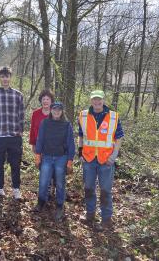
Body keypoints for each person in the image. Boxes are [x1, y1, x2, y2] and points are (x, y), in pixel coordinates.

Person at [78, 90, 124, 230]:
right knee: (88, 188)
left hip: (106, 160)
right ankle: (90, 215)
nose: (97, 102)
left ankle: (106, 220)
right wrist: (80, 151)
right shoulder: (83, 115)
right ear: (91, 101)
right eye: (94, 100)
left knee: (105, 190)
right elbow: (81, 135)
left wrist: (114, 155)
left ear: (103, 100)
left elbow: (119, 137)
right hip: (89, 158)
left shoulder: (113, 117)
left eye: (99, 100)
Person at [0, 66, 24, 199]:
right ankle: (0, 188)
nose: (5, 79)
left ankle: (16, 189)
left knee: (15, 165)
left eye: (7, 76)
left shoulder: (18, 95)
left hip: (14, 136)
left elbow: (21, 114)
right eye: (2, 76)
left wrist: (21, 130)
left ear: (10, 77)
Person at [33, 102, 75, 222]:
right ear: (51, 110)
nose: (56, 112)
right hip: (46, 156)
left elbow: (71, 143)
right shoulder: (45, 123)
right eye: (54, 109)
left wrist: (70, 161)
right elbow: (40, 139)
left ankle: (60, 205)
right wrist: (37, 156)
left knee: (60, 183)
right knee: (43, 180)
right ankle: (41, 202)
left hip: (61, 157)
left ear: (62, 111)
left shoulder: (67, 125)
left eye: (59, 110)